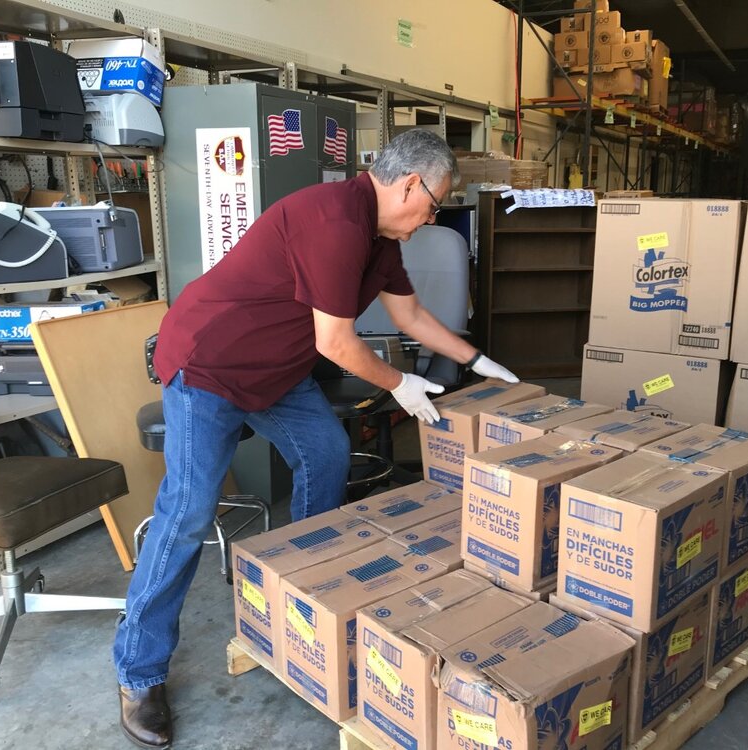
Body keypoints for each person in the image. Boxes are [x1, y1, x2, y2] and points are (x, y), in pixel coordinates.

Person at [114, 129, 518, 749]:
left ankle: (306, 604)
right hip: (210, 365)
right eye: (437, 204)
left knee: (326, 454)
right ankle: (138, 672)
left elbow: (408, 315)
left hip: (278, 367)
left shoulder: (382, 237)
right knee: (189, 511)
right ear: (410, 184)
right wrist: (401, 383)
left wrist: (477, 358)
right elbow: (336, 343)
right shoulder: (333, 222)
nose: (433, 217)